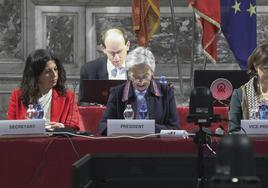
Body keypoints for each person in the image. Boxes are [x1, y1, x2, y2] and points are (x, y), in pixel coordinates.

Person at [98, 47, 179, 135]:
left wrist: (147, 128)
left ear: (152, 73)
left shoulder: (166, 92)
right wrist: (126, 128)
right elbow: (103, 126)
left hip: (156, 144)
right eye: (136, 77)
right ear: (129, 74)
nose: (141, 81)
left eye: (145, 76)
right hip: (126, 143)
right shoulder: (117, 93)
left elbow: (174, 128)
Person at [7, 49, 80, 130]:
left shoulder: (68, 96)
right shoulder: (17, 95)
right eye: (48, 71)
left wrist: (62, 127)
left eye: (55, 69)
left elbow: (74, 125)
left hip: (55, 141)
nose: (54, 75)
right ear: (36, 75)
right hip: (26, 141)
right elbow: (10, 126)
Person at [79, 27, 130, 103]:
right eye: (112, 53)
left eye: (119, 52)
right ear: (103, 48)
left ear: (127, 45)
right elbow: (83, 105)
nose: (116, 58)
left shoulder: (139, 69)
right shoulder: (89, 70)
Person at [229, 40, 268, 132]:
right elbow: (233, 131)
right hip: (250, 145)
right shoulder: (240, 94)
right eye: (266, 67)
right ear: (255, 65)